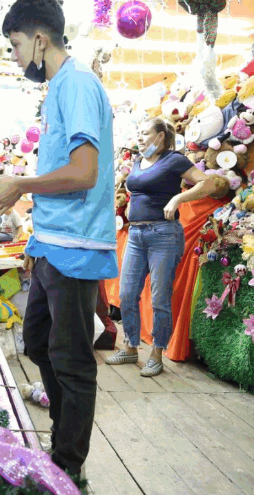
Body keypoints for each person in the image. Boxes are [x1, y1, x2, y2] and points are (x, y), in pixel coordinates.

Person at [0, 0, 118, 478]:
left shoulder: (77, 84)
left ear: (40, 39)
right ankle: (63, 438)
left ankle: (66, 468)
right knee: (38, 342)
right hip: (52, 243)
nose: (16, 59)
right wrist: (24, 185)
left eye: (16, 46)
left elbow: (83, 171)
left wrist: (21, 183)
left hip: (76, 245)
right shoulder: (60, 88)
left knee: (72, 362)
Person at [105, 118, 217, 376]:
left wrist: (178, 197)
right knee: (127, 294)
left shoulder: (174, 160)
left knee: (159, 297)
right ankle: (131, 347)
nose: (140, 137)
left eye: (145, 133)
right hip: (135, 234)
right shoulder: (137, 161)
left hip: (163, 234)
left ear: (161, 136)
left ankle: (157, 353)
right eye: (139, 133)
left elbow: (207, 183)